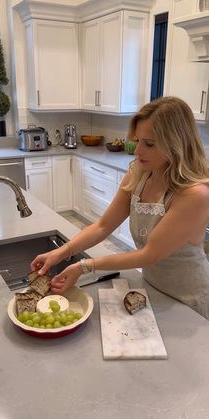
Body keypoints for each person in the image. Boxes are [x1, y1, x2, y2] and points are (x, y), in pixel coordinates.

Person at [31, 96, 209, 320]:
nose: (137, 151)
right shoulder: (138, 175)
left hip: (188, 300)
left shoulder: (194, 195)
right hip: (153, 288)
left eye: (149, 144)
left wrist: (84, 266)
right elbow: (102, 226)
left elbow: (149, 255)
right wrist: (62, 252)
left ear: (176, 143)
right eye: (138, 141)